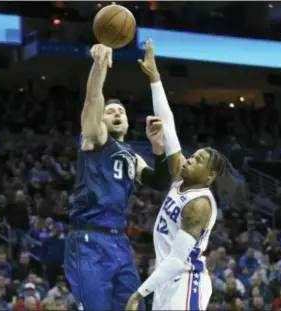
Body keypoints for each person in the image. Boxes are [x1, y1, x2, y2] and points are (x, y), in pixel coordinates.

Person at [126, 40, 235, 311]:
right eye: (192, 154)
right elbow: (168, 123)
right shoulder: (181, 176)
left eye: (197, 160)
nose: (188, 159)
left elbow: (177, 259)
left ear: (210, 175)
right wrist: (154, 78)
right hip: (166, 281)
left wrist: (139, 293)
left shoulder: (199, 204)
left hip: (186, 280)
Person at [64, 44, 172, 311]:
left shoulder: (132, 157)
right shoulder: (96, 139)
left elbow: (160, 182)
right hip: (88, 241)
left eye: (121, 112)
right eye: (111, 111)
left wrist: (159, 149)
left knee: (134, 307)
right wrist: (99, 65)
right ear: (100, 121)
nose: (117, 114)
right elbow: (92, 100)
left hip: (119, 243)